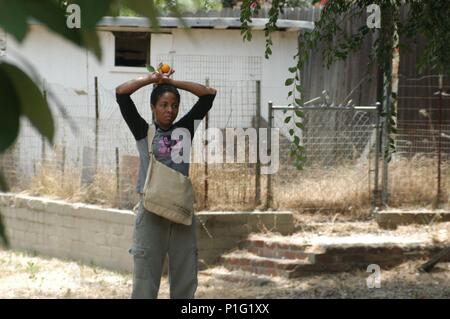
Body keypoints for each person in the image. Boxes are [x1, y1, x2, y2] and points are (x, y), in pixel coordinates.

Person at [115, 69, 217, 299]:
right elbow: (121, 94)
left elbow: (208, 95)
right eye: (163, 105)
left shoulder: (185, 130)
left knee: (185, 280)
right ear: (153, 107)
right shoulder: (144, 131)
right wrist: (152, 79)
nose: (170, 110)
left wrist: (172, 82)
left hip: (180, 213)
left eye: (174, 105)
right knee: (144, 281)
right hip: (151, 211)